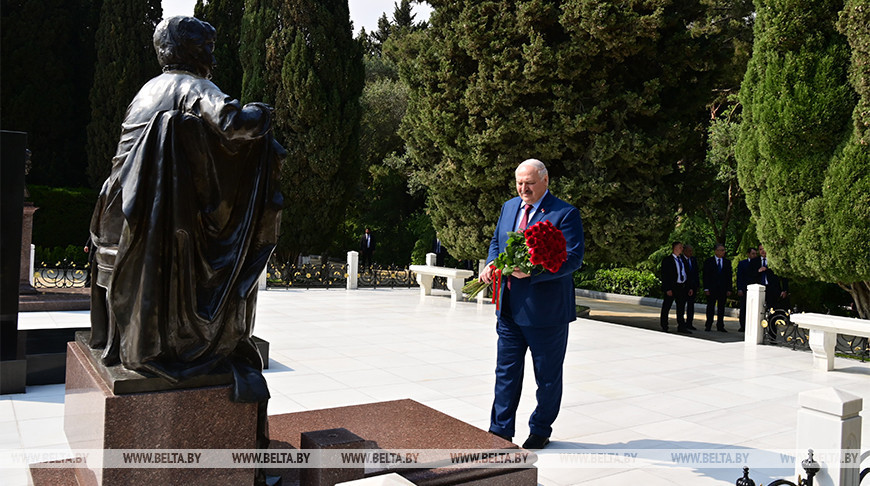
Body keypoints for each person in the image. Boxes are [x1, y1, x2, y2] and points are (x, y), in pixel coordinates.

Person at [88, 17, 283, 454]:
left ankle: (130, 339)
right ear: (191, 52)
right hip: (150, 230)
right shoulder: (191, 86)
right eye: (208, 47)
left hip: (117, 221)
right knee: (226, 260)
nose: (213, 56)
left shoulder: (148, 89)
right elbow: (234, 124)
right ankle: (190, 342)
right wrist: (264, 114)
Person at [478, 159, 584, 450]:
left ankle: (540, 429)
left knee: (547, 377)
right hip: (509, 308)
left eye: (529, 183)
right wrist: (491, 263)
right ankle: (499, 431)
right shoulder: (509, 207)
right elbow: (497, 242)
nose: (523, 189)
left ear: (545, 181)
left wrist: (534, 271)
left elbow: (573, 258)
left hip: (546, 313)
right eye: (519, 183)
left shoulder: (565, 214)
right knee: (506, 372)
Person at [660, 241, 690, 333]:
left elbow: (687, 273)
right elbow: (664, 275)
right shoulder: (667, 260)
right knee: (667, 306)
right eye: (680, 247)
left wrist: (688, 287)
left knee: (681, 307)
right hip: (672, 286)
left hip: (681, 286)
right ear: (675, 248)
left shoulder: (683, 260)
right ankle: (664, 325)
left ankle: (681, 326)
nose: (682, 249)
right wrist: (667, 288)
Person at [702, 244, 732, 332]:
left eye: (724, 250)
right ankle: (708, 324)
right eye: (721, 250)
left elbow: (728, 276)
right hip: (712, 288)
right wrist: (706, 288)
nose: (723, 252)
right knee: (710, 307)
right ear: (716, 251)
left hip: (722, 289)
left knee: (721, 308)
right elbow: (706, 276)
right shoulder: (709, 261)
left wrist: (729, 288)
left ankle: (720, 325)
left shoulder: (727, 262)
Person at [751, 244, 789, 310]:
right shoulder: (754, 261)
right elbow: (750, 275)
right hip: (759, 288)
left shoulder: (774, 261)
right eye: (760, 249)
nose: (762, 251)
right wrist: (758, 271)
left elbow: (783, 275)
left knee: (773, 308)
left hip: (773, 288)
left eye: (764, 249)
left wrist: (785, 289)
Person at [736, 247, 758, 332]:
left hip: (754, 289)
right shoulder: (743, 263)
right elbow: (740, 277)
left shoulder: (758, 263)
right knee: (744, 308)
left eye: (755, 254)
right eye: (753, 254)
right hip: (744, 288)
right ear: (748, 254)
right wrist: (740, 289)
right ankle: (743, 326)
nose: (754, 255)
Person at [683, 244, 700, 330]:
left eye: (691, 251)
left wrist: (696, 285)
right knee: (682, 305)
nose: (691, 253)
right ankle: (682, 323)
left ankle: (689, 322)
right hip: (684, 286)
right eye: (689, 251)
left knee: (691, 305)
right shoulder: (681, 260)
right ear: (684, 251)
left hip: (692, 286)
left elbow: (696, 273)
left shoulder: (693, 260)